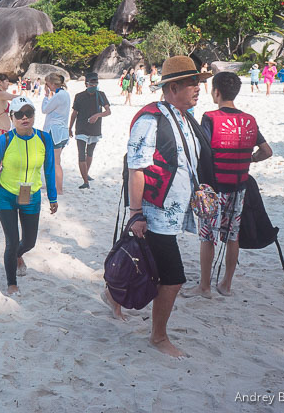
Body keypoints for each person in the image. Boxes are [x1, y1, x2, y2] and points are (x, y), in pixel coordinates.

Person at [107, 56, 213, 358]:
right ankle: (158, 337)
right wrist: (136, 214)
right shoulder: (150, 120)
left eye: (198, 82)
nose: (198, 88)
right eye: (192, 83)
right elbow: (136, 169)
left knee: (146, 264)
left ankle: (111, 296)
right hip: (155, 213)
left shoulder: (184, 117)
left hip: (173, 212)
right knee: (173, 277)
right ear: (173, 87)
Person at [182, 72, 272, 299]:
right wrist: (250, 159)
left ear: (216, 92)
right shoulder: (249, 120)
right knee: (232, 236)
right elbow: (266, 151)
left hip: (213, 189)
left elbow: (202, 150)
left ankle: (204, 286)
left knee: (207, 237)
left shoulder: (210, 118)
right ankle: (226, 284)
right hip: (239, 188)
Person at [0, 97, 58, 295]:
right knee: (11, 241)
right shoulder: (4, 140)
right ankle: (12, 283)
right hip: (6, 196)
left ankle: (17, 255)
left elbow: (49, 170)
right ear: (12, 118)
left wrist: (52, 197)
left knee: (29, 242)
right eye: (19, 114)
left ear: (34, 115)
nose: (24, 118)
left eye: (29, 113)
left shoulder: (44, 138)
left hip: (31, 196)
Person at [68, 73, 110, 189]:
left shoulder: (101, 95)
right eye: (91, 84)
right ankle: (85, 181)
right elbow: (74, 113)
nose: (94, 86)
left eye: (96, 84)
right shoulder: (79, 96)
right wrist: (70, 128)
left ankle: (85, 174)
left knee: (90, 153)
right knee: (81, 154)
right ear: (86, 84)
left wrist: (97, 115)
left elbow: (108, 111)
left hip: (95, 129)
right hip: (81, 128)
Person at [41, 72, 71, 195]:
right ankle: (52, 184)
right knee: (53, 161)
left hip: (55, 131)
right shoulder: (65, 94)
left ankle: (59, 189)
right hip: (62, 131)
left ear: (53, 84)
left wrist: (46, 96)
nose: (47, 86)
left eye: (48, 84)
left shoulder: (58, 96)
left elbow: (44, 109)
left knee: (56, 162)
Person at [0, 73, 18, 144]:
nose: (8, 83)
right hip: (0, 131)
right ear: (0, 82)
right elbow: (15, 97)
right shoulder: (0, 93)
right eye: (6, 81)